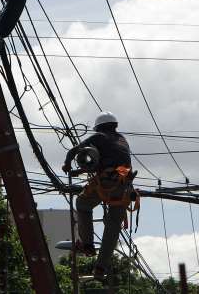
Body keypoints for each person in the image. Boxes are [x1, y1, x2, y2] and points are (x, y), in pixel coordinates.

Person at [62, 111, 135, 279]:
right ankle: (101, 268)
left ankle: (87, 245)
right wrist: (80, 171)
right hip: (124, 185)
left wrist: (67, 164)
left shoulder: (100, 137)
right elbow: (109, 163)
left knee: (82, 204)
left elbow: (73, 151)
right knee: (113, 226)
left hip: (108, 182)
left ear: (99, 127)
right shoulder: (122, 139)